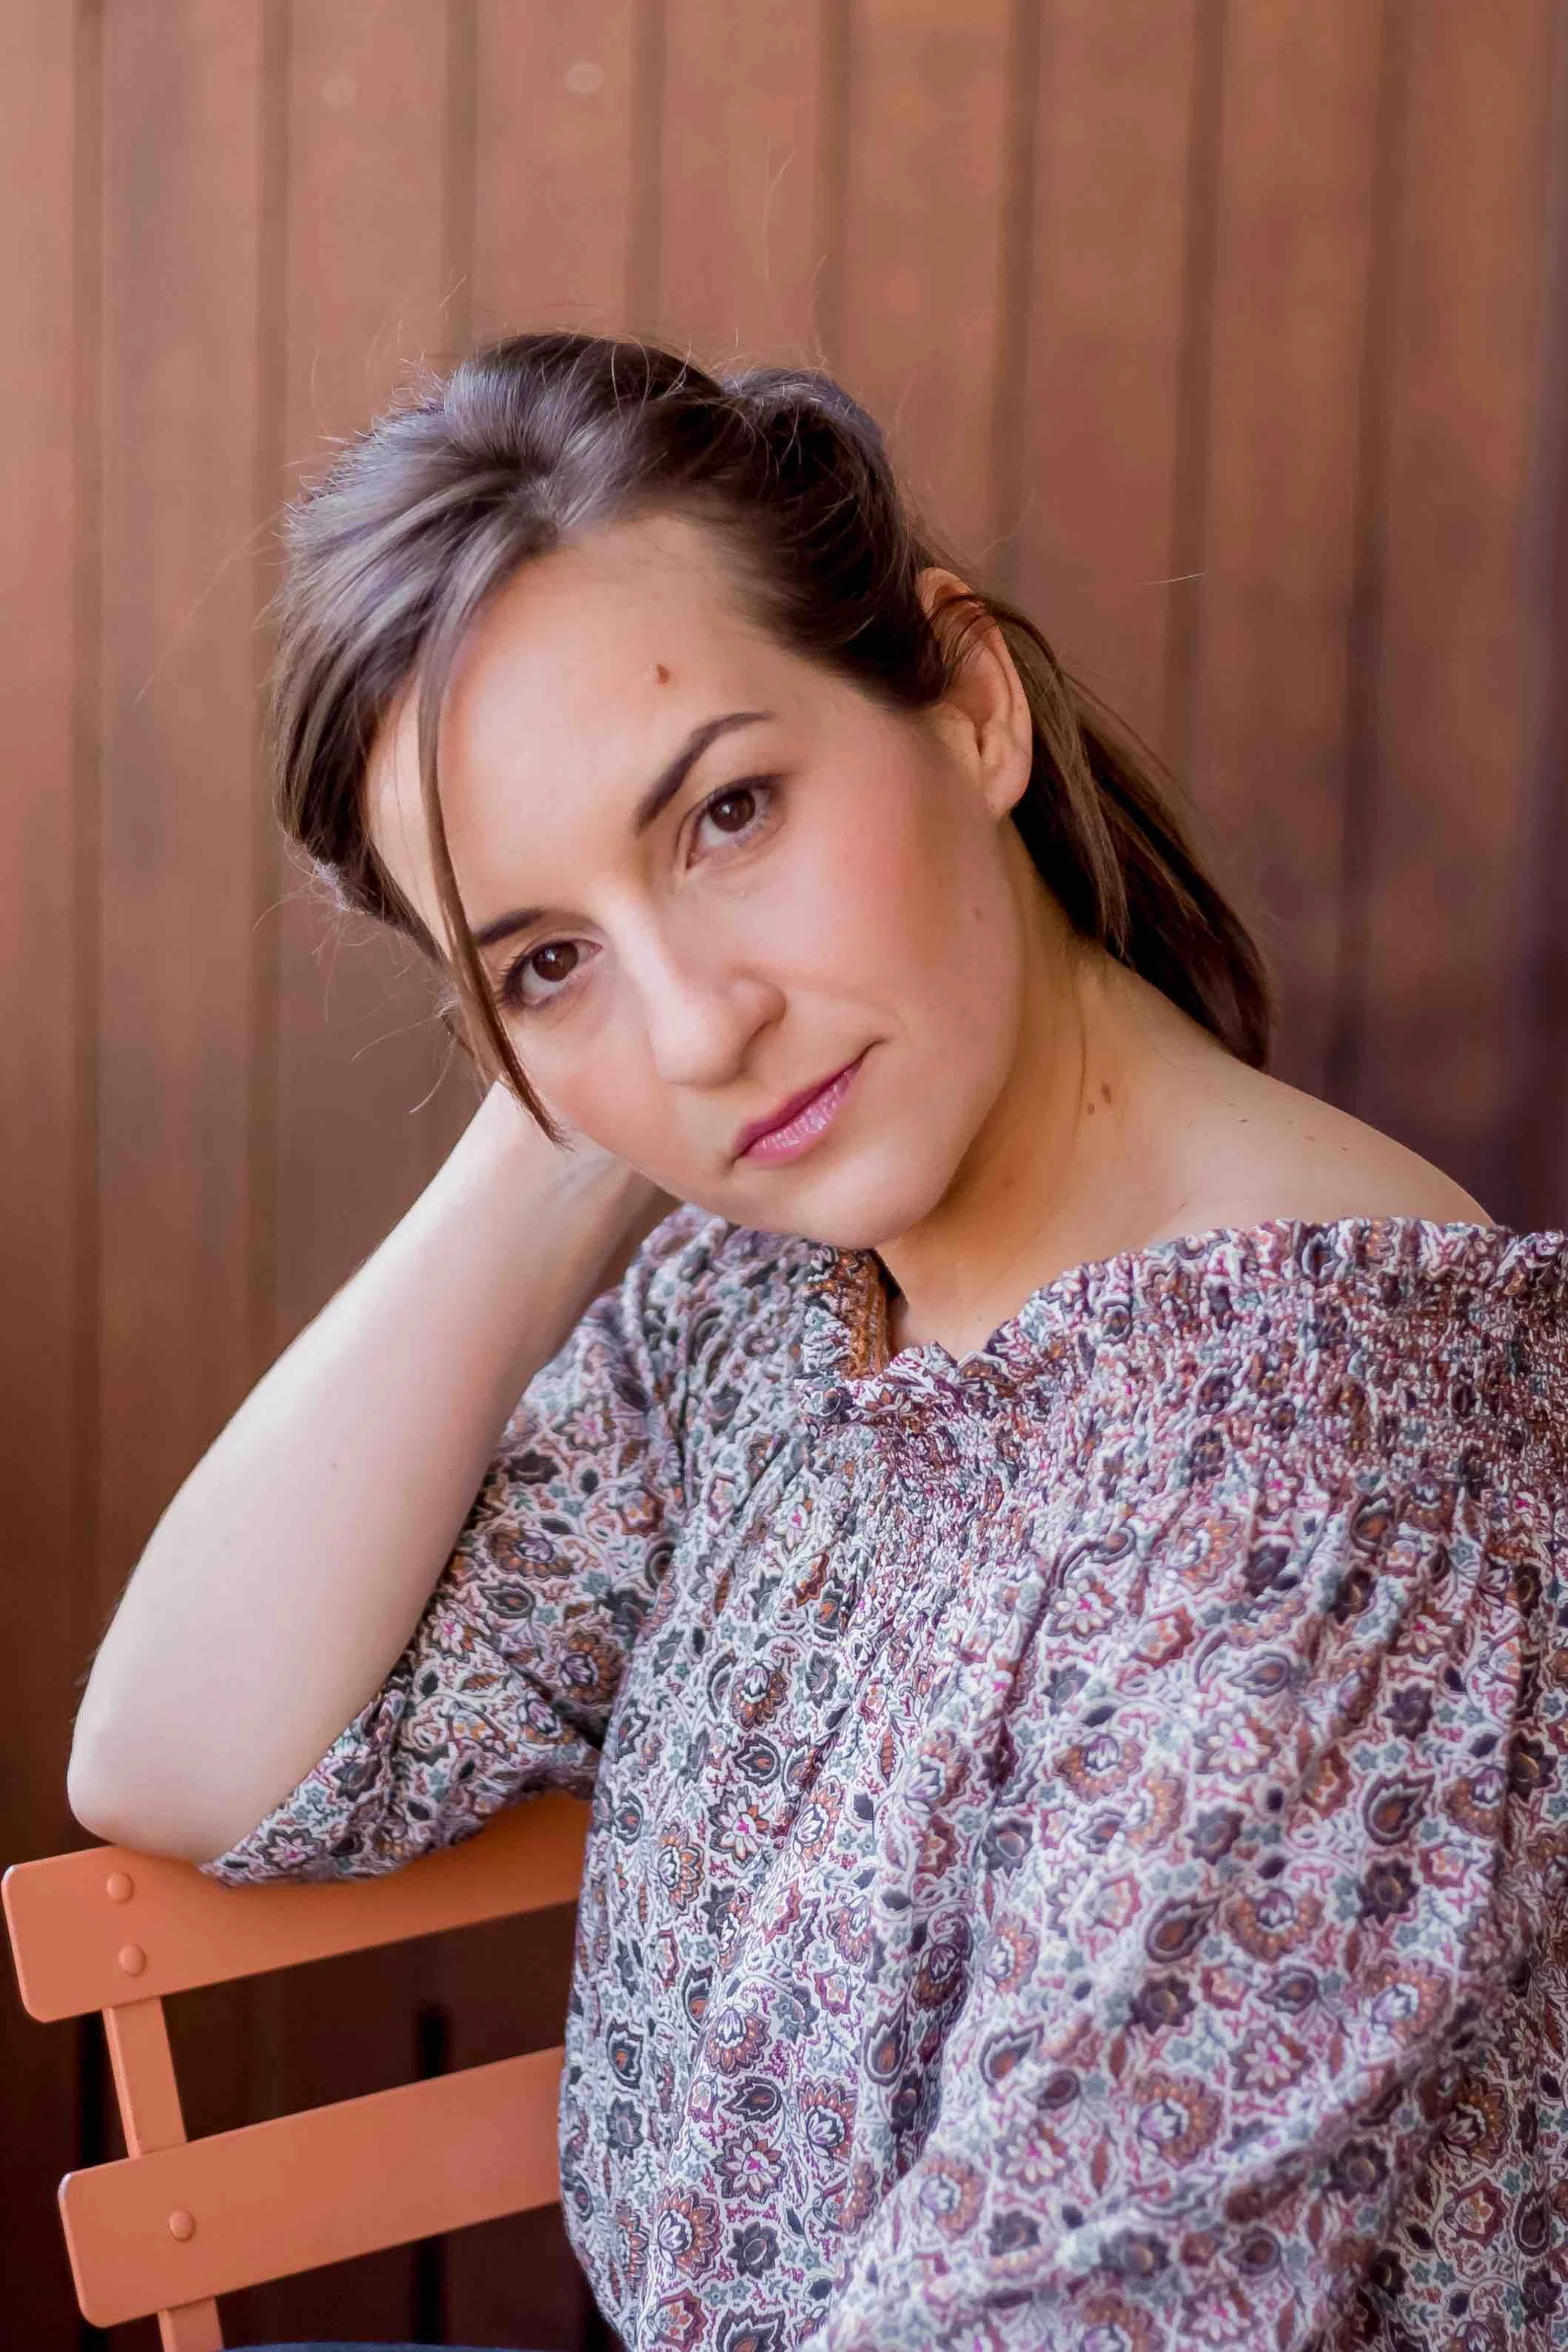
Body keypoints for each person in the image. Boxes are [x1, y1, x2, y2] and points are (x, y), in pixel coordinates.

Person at [69, 331, 1568, 2352]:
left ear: (967, 701)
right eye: (546, 959)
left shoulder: (1319, 1468)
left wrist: (603, 1016)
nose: (702, 1026)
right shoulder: (775, 1310)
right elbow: (177, 1755)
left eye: (728, 812)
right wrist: (561, 1137)